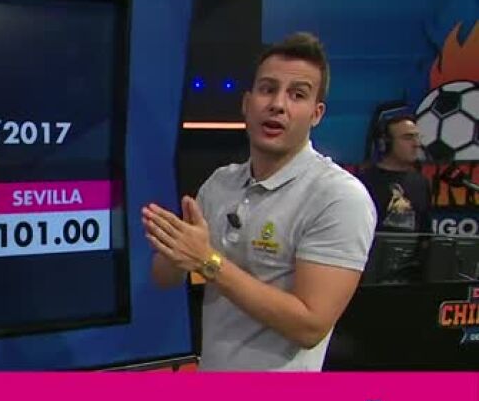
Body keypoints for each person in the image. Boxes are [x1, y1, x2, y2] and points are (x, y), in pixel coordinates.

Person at [142, 32, 376, 371]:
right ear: (246, 103)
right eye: (267, 89)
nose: (278, 104)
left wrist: (207, 260)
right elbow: (164, 279)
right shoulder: (220, 184)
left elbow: (310, 326)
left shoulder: (338, 197)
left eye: (297, 95)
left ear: (316, 114)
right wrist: (175, 251)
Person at [358, 102, 432, 233]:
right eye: (408, 138)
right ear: (385, 143)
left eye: (417, 137)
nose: (416, 144)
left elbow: (425, 232)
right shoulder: (364, 182)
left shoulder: (421, 183)